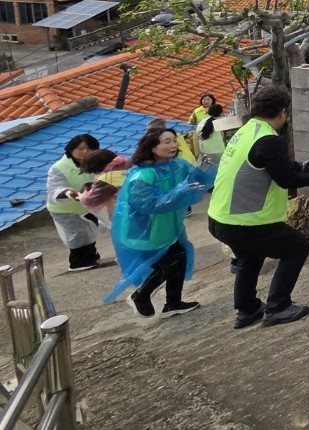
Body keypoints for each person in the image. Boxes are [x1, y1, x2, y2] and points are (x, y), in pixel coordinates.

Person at [207, 85, 309, 329]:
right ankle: (278, 308)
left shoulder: (246, 131)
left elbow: (270, 166)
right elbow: (286, 179)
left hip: (220, 219)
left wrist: (303, 166)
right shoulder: (270, 139)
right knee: (296, 247)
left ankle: (247, 310)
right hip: (246, 221)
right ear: (282, 112)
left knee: (250, 257)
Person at [104, 127, 215, 318]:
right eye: (167, 141)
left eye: (174, 140)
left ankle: (173, 303)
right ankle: (141, 295)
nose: (174, 145)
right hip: (145, 230)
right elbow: (151, 205)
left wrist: (202, 171)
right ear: (152, 147)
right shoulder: (142, 175)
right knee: (168, 262)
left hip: (168, 226)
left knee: (179, 258)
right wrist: (180, 191)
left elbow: (193, 181)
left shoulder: (176, 165)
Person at [46, 133, 103, 271]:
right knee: (78, 234)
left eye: (89, 148)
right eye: (81, 149)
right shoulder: (59, 168)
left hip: (86, 206)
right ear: (71, 149)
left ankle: (91, 256)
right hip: (65, 209)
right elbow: (55, 187)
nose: (85, 152)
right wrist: (68, 193)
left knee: (90, 231)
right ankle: (78, 262)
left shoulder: (96, 162)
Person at [79, 148, 129, 224]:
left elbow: (90, 201)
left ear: (97, 168)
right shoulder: (128, 165)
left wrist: (84, 191)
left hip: (126, 215)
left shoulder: (106, 178)